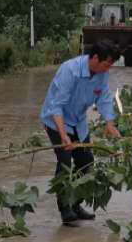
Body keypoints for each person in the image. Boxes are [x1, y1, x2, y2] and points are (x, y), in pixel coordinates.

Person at [40, 40, 123, 225]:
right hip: (56, 122)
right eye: (107, 63)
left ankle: (76, 204)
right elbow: (56, 106)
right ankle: (65, 210)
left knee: (86, 163)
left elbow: (103, 97)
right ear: (94, 58)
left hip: (78, 122)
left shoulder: (102, 74)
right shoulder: (69, 71)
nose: (108, 68)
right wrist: (63, 136)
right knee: (65, 163)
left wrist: (109, 123)